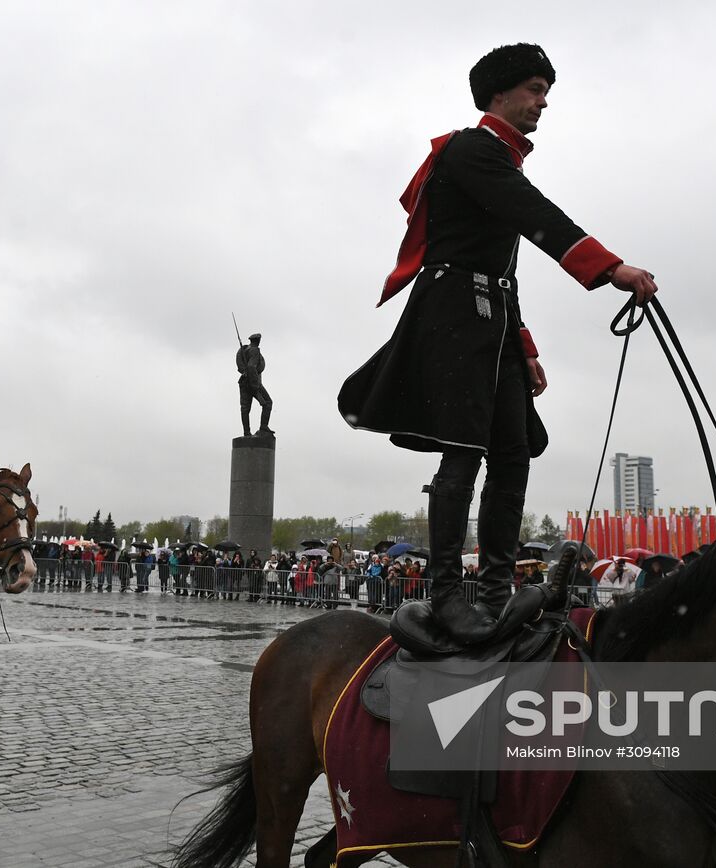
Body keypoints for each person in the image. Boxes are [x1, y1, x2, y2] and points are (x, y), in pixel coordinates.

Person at [338, 44, 658, 643]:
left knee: (513, 453)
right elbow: (533, 214)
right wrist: (609, 267)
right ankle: (444, 595)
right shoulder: (472, 149)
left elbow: (502, 269)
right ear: (500, 94)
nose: (543, 103)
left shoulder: (499, 160)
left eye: (545, 92)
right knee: (462, 450)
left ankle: (494, 591)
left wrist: (525, 346)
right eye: (535, 90)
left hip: (492, 321)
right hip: (455, 316)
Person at [237, 333, 274, 437]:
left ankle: (246, 432)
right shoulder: (254, 350)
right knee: (268, 402)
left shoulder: (244, 350)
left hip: (243, 382)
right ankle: (263, 427)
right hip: (254, 382)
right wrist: (255, 386)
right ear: (258, 341)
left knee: (245, 408)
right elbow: (251, 366)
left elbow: (241, 365)